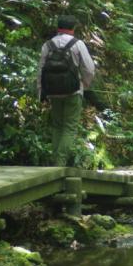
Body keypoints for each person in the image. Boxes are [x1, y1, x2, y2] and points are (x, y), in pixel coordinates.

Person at [37, 15, 95, 166]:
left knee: (57, 125)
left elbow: (41, 71)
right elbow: (89, 69)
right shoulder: (78, 44)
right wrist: (84, 84)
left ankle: (54, 160)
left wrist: (41, 92)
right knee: (69, 127)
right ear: (73, 28)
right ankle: (60, 163)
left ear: (58, 27)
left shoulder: (47, 45)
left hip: (53, 92)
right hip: (73, 92)